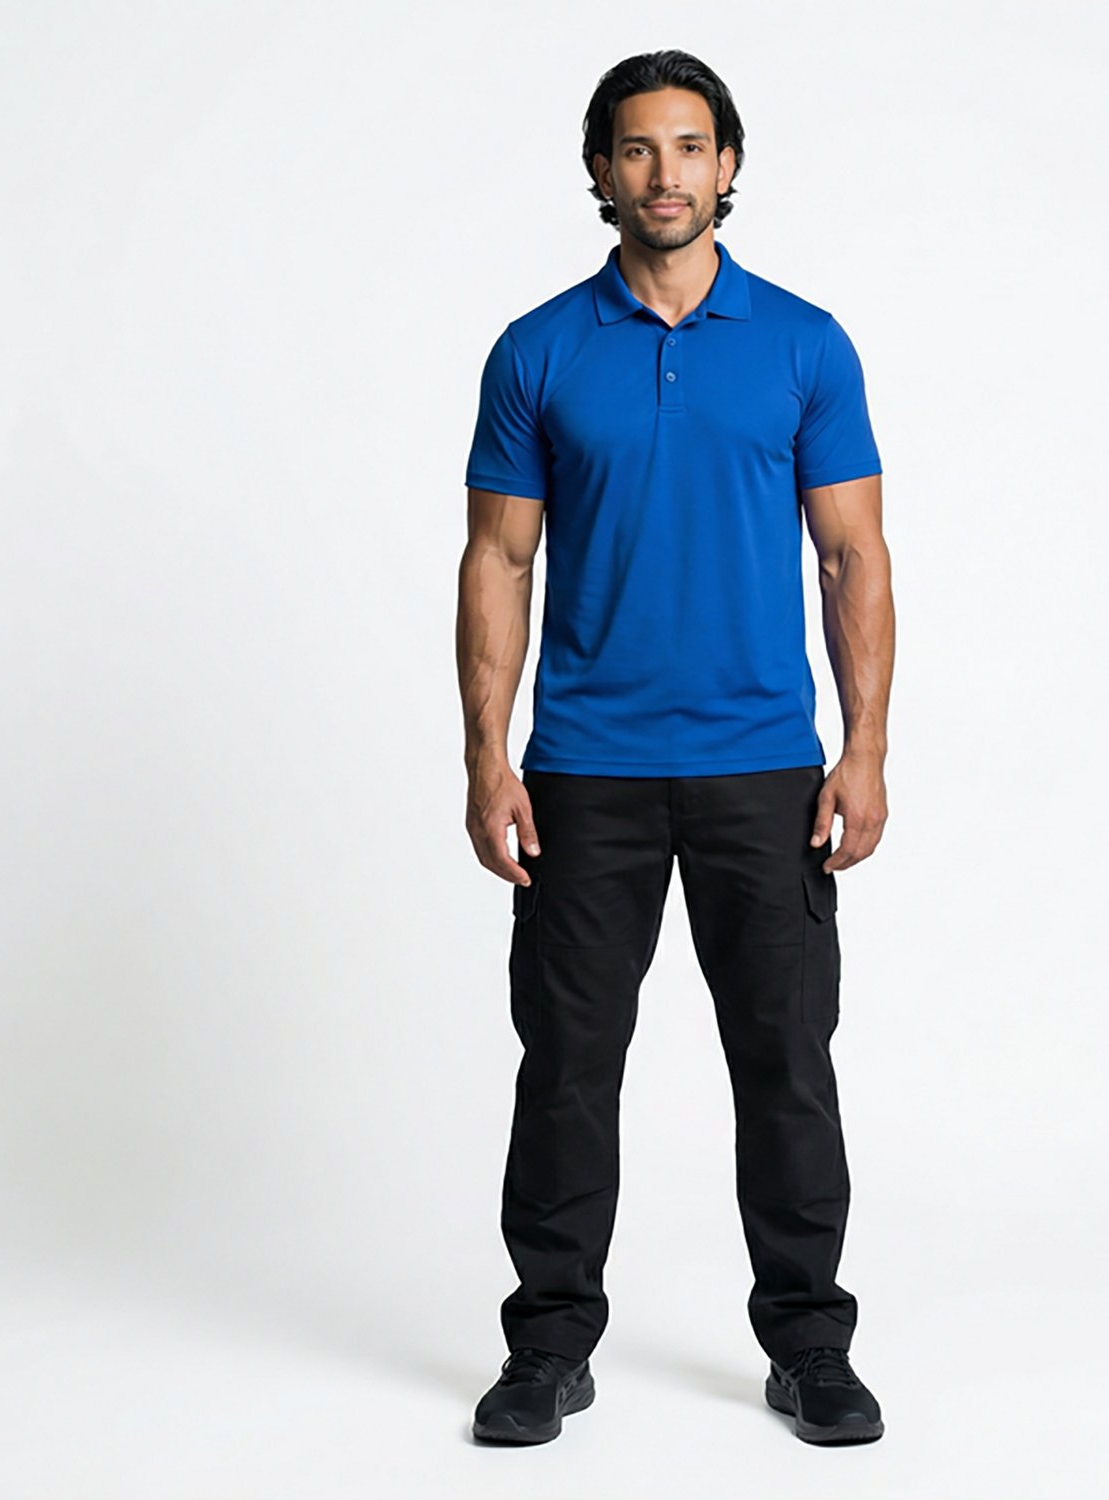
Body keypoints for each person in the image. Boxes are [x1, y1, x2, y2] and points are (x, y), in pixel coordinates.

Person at [457, 48, 895, 1446]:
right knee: (566, 1067)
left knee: (786, 1064)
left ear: (729, 166)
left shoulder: (804, 346)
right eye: (638, 149)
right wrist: (487, 759)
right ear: (600, 170)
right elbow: (498, 560)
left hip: (763, 766)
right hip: (585, 770)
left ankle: (810, 1345)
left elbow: (854, 556)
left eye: (691, 146)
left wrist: (865, 748)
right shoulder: (538, 351)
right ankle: (548, 1347)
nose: (665, 173)